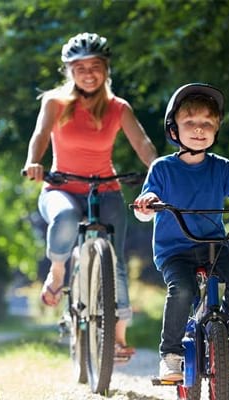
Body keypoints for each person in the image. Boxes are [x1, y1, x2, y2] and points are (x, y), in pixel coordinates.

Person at [131, 83, 229, 381]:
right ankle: (171, 355)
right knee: (183, 290)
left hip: (214, 245)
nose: (199, 130)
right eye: (190, 123)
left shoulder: (221, 168)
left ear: (216, 130)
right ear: (173, 129)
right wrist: (147, 205)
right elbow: (142, 210)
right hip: (174, 249)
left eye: (207, 124)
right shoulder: (162, 169)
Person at [22, 32, 157, 358]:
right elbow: (40, 136)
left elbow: (142, 143)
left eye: (95, 65)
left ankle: (118, 338)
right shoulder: (55, 103)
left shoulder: (117, 108)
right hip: (60, 186)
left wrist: (158, 169)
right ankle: (57, 272)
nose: (88, 72)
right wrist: (33, 162)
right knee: (66, 217)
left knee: (115, 259)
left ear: (106, 69)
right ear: (69, 70)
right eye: (80, 66)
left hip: (105, 188)